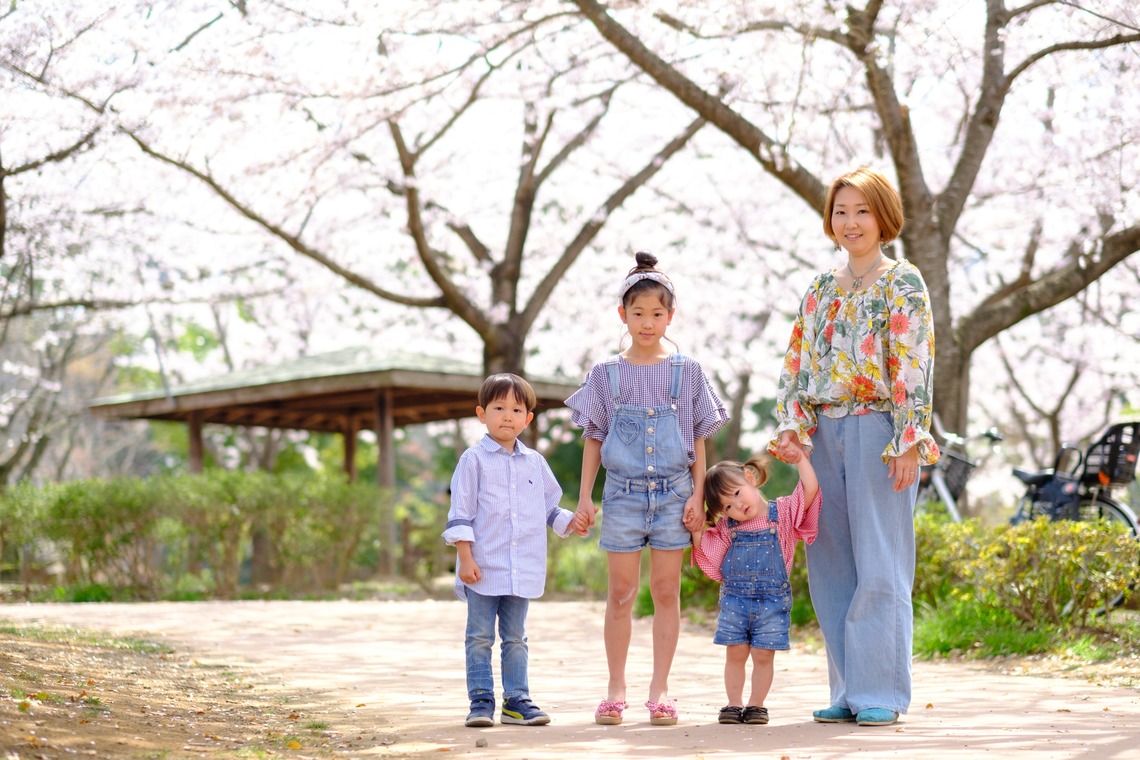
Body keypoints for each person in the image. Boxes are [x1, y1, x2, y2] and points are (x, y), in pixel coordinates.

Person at [769, 166, 939, 727]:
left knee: (881, 562)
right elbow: (796, 360)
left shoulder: (903, 282)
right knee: (831, 565)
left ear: (884, 217)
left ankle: (880, 692)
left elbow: (915, 363)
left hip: (880, 431)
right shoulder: (821, 288)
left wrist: (909, 438)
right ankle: (847, 689)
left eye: (862, 210)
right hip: (822, 434)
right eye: (840, 211)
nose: (850, 222)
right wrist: (793, 425)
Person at [567, 251, 729, 726]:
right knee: (621, 592)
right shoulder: (605, 374)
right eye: (638, 313)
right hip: (622, 495)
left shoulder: (687, 371)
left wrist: (698, 495)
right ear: (622, 315)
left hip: (675, 494)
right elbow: (593, 437)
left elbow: (699, 437)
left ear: (670, 316)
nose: (647, 322)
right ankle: (615, 688)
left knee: (665, 591)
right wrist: (585, 497)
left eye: (657, 313)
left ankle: (660, 689)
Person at [442, 373, 588, 728]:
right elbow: (461, 512)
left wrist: (571, 522)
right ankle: (481, 701)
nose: (507, 416)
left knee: (516, 638)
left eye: (516, 410)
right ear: (482, 414)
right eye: (499, 408)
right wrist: (465, 558)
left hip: (522, 567)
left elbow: (549, 508)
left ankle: (516, 700)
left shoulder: (535, 462)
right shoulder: (473, 460)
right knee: (479, 637)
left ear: (528, 418)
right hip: (483, 567)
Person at [690, 453, 821, 725]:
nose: (737, 505)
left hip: (772, 602)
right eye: (727, 506)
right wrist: (695, 529)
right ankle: (733, 703)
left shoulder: (783, 513)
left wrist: (800, 459)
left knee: (763, 654)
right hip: (735, 602)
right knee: (735, 652)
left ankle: (756, 705)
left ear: (750, 478)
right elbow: (710, 554)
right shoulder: (727, 528)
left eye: (737, 493)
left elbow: (809, 489)